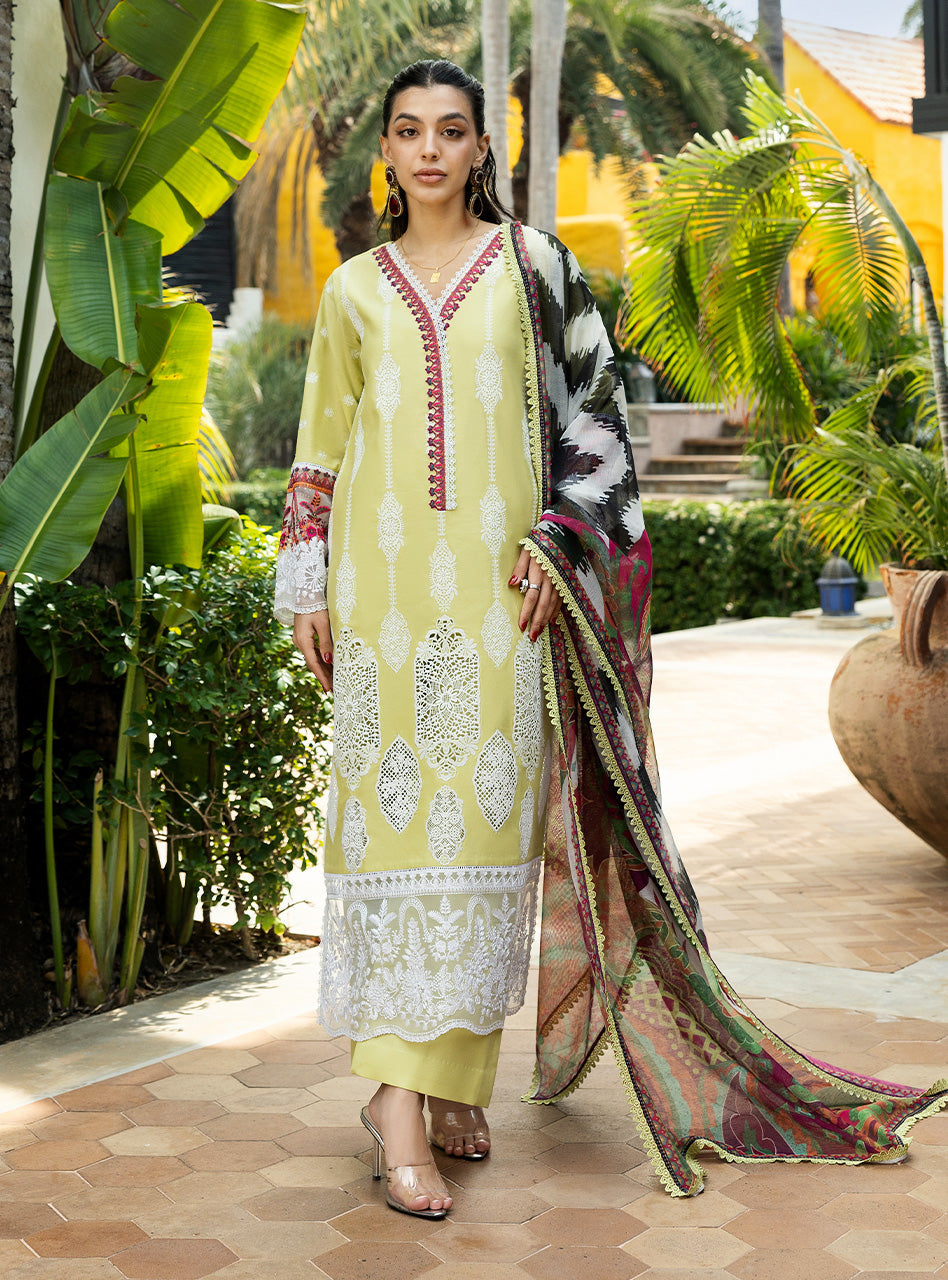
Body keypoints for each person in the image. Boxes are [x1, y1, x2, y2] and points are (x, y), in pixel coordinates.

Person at [275, 59, 947, 1214]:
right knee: (396, 841)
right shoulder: (351, 292)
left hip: (504, 602)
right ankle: (400, 1101)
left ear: (482, 146)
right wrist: (306, 583)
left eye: (450, 130)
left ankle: (444, 1080)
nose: (429, 150)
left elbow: (597, 424)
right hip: (384, 613)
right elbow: (319, 445)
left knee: (483, 837)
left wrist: (559, 538)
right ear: (385, 152)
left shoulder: (535, 269)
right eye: (408, 131)